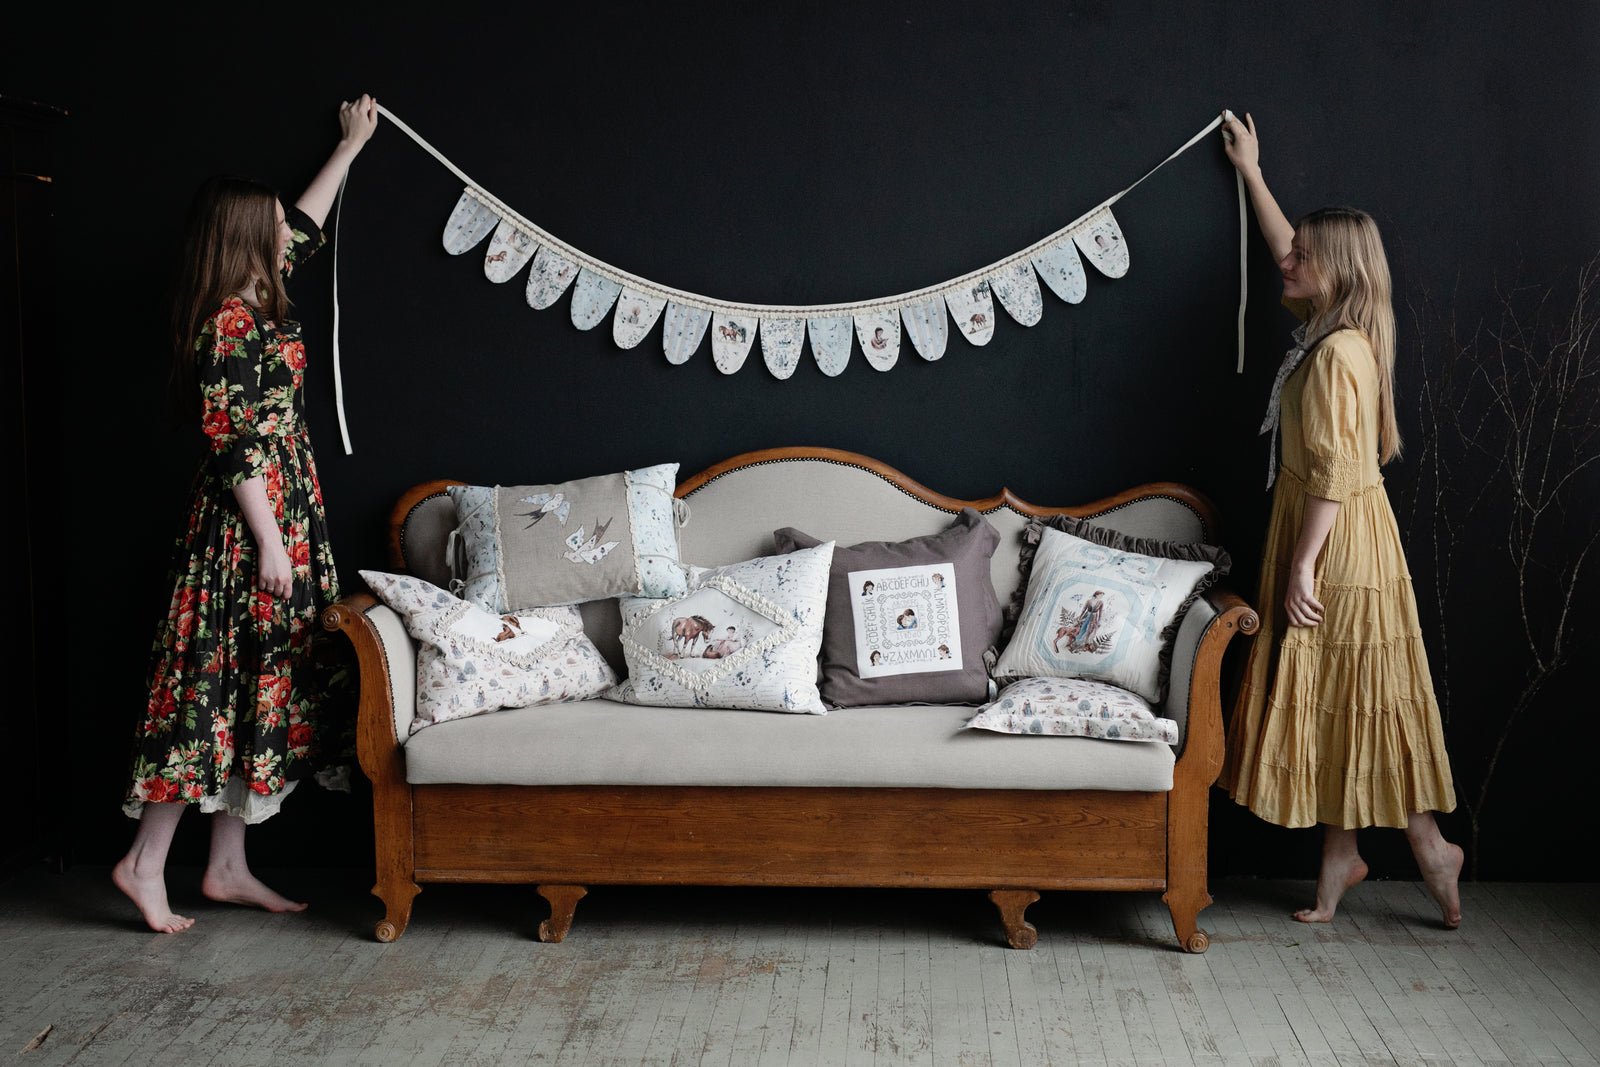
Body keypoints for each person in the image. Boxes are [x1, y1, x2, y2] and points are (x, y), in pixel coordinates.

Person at [113, 96, 380, 933]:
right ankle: (143, 861)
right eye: (268, 222)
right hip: (246, 526)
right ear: (240, 237)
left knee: (259, 685)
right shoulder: (228, 323)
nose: (283, 231)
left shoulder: (256, 294)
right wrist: (268, 541)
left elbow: (304, 225)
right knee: (207, 687)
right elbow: (233, 442)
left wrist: (351, 147)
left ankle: (226, 865)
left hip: (283, 510)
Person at [1218, 112, 1462, 928]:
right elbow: (1288, 247)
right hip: (1343, 531)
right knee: (1345, 691)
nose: (1286, 261)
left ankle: (1428, 846)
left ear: (1336, 271)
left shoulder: (1333, 355)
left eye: (1302, 256)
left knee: (1360, 689)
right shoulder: (1338, 332)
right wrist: (1252, 172)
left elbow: (1328, 470)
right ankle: (1346, 862)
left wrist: (1301, 562)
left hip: (1334, 539)